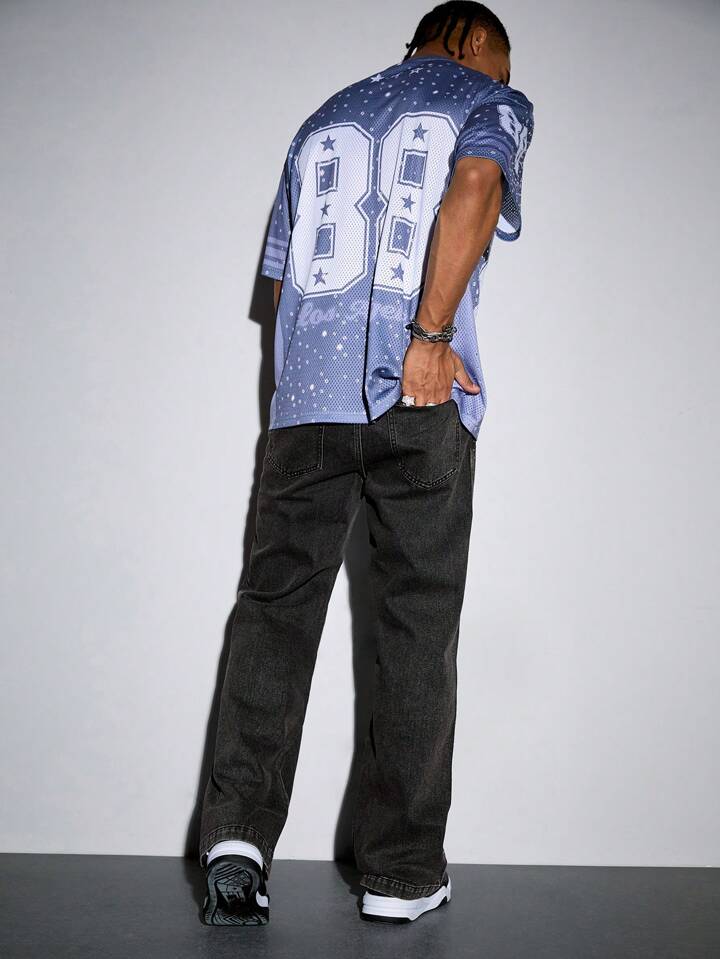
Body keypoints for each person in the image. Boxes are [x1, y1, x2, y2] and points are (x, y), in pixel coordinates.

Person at [199, 0, 535, 925]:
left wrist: (297, 401)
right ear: (473, 40)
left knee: (274, 609)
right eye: (502, 61)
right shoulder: (488, 100)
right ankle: (400, 874)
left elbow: (282, 286)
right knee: (416, 621)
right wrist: (429, 337)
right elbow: (477, 182)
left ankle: (236, 843)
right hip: (414, 393)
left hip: (304, 408)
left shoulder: (322, 119)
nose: (504, 78)